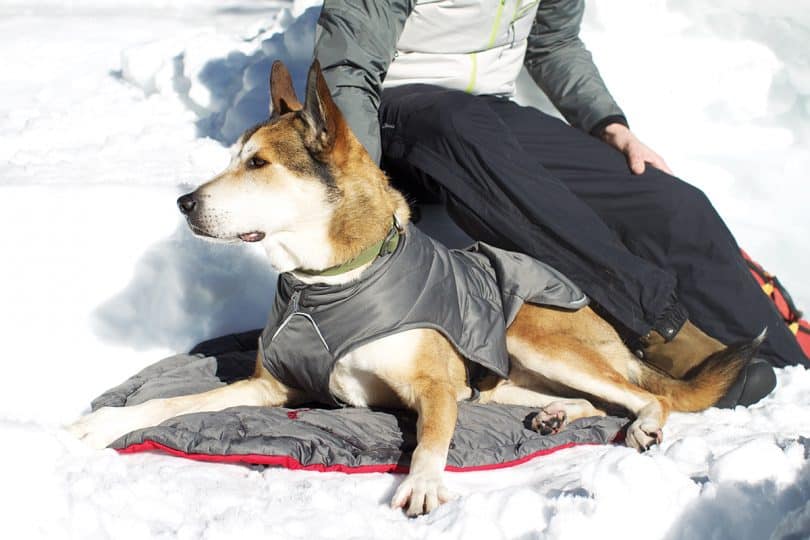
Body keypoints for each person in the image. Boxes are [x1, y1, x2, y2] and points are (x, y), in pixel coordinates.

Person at [311, 0, 809, 406]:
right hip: (394, 110)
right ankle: (658, 330)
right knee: (468, 135)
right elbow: (349, 63)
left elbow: (554, 41)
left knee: (669, 203)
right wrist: (358, 178)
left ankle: (785, 363)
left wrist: (609, 125)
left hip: (487, 113)